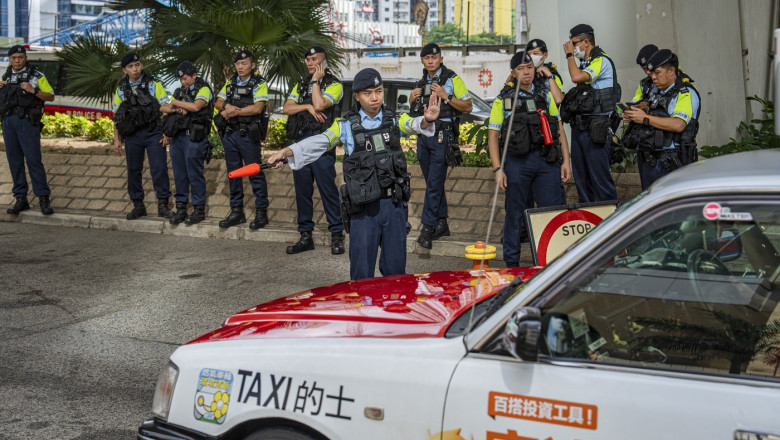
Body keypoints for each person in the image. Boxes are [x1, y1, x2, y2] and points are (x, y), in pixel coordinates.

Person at [268, 68, 440, 280]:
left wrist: (427, 120)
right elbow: (321, 141)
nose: (374, 97)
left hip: (393, 207)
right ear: (357, 96)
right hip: (363, 210)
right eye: (368, 93)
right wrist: (288, 151)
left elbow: (414, 124)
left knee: (396, 274)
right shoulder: (345, 125)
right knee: (361, 274)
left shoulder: (394, 120)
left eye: (378, 90)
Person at [488, 51, 571, 268]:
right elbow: (493, 136)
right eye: (521, 69)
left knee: (550, 212)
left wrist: (566, 161)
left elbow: (559, 128)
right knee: (515, 214)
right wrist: (498, 169)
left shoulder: (544, 94)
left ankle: (551, 262)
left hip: (546, 162)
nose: (526, 72)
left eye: (529, 67)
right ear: (513, 73)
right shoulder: (504, 99)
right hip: (517, 164)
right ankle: (512, 264)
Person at [408, 43, 472, 250]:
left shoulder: (452, 79)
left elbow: (468, 106)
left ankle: (427, 228)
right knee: (432, 183)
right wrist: (411, 101)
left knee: (434, 184)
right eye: (426, 58)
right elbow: (415, 114)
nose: (431, 61)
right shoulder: (420, 83)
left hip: (442, 136)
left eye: (434, 57)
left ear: (441, 59)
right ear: (422, 61)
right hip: (423, 137)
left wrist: (447, 96)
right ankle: (442, 223)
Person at [283, 46, 345, 255]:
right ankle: (305, 235)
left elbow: (320, 104)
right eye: (308, 60)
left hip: (320, 144)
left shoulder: (334, 84)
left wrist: (316, 83)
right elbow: (287, 107)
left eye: (314, 59)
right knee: (302, 192)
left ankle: (337, 234)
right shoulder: (301, 83)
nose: (310, 63)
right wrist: (306, 107)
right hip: (301, 144)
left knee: (328, 191)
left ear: (324, 62)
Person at [623, 49, 701, 189]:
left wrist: (645, 118)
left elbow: (678, 124)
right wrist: (634, 116)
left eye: (657, 73)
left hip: (672, 161)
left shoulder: (685, 93)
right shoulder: (656, 92)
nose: (653, 77)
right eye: (651, 73)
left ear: (671, 71)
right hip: (650, 159)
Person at [561, 24, 620, 203]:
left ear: (586, 42)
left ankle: (610, 224)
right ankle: (591, 225)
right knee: (583, 182)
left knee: (600, 181)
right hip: (580, 129)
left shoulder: (601, 61)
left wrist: (569, 55)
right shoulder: (586, 63)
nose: (572, 47)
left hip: (597, 129)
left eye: (575, 43)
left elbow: (576, 77)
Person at [112, 52, 173, 220]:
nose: (135, 69)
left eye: (137, 65)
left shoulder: (153, 84)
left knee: (159, 168)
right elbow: (116, 116)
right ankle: (138, 205)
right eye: (131, 67)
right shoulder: (121, 89)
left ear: (141, 65)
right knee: (133, 170)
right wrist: (116, 140)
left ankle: (163, 205)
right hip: (132, 135)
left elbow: (165, 108)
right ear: (125, 70)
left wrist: (166, 132)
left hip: (154, 132)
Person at [214, 49, 270, 230]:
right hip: (230, 134)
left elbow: (257, 108)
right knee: (233, 173)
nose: (240, 66)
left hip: (248, 134)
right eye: (237, 63)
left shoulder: (259, 83)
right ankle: (236, 212)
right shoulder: (230, 82)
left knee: (254, 173)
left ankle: (261, 213)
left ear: (252, 65)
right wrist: (227, 105)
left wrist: (232, 111)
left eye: (244, 63)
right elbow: (217, 102)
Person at [1, 45, 55, 215]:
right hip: (9, 121)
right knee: (14, 161)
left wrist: (34, 90)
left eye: (20, 57)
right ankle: (20, 198)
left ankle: (43, 199)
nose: (17, 61)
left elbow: (51, 95)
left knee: (33, 161)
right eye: (14, 58)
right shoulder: (6, 75)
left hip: (27, 122)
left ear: (25, 58)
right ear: (10, 59)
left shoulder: (36, 75)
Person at [160, 61, 214, 225]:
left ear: (194, 76)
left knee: (194, 174)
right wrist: (176, 108)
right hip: (178, 137)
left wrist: (176, 103)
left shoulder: (204, 89)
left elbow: (196, 107)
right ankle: (181, 209)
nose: (183, 82)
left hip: (194, 138)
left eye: (185, 79)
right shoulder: (179, 91)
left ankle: (198, 209)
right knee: (179, 175)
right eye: (181, 79)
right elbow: (164, 108)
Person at [526, 38, 565, 105]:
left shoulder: (552, 75)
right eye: (529, 55)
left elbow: (558, 100)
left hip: (548, 114)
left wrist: (550, 76)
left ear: (545, 55)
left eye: (535, 53)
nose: (532, 57)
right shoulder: (525, 74)